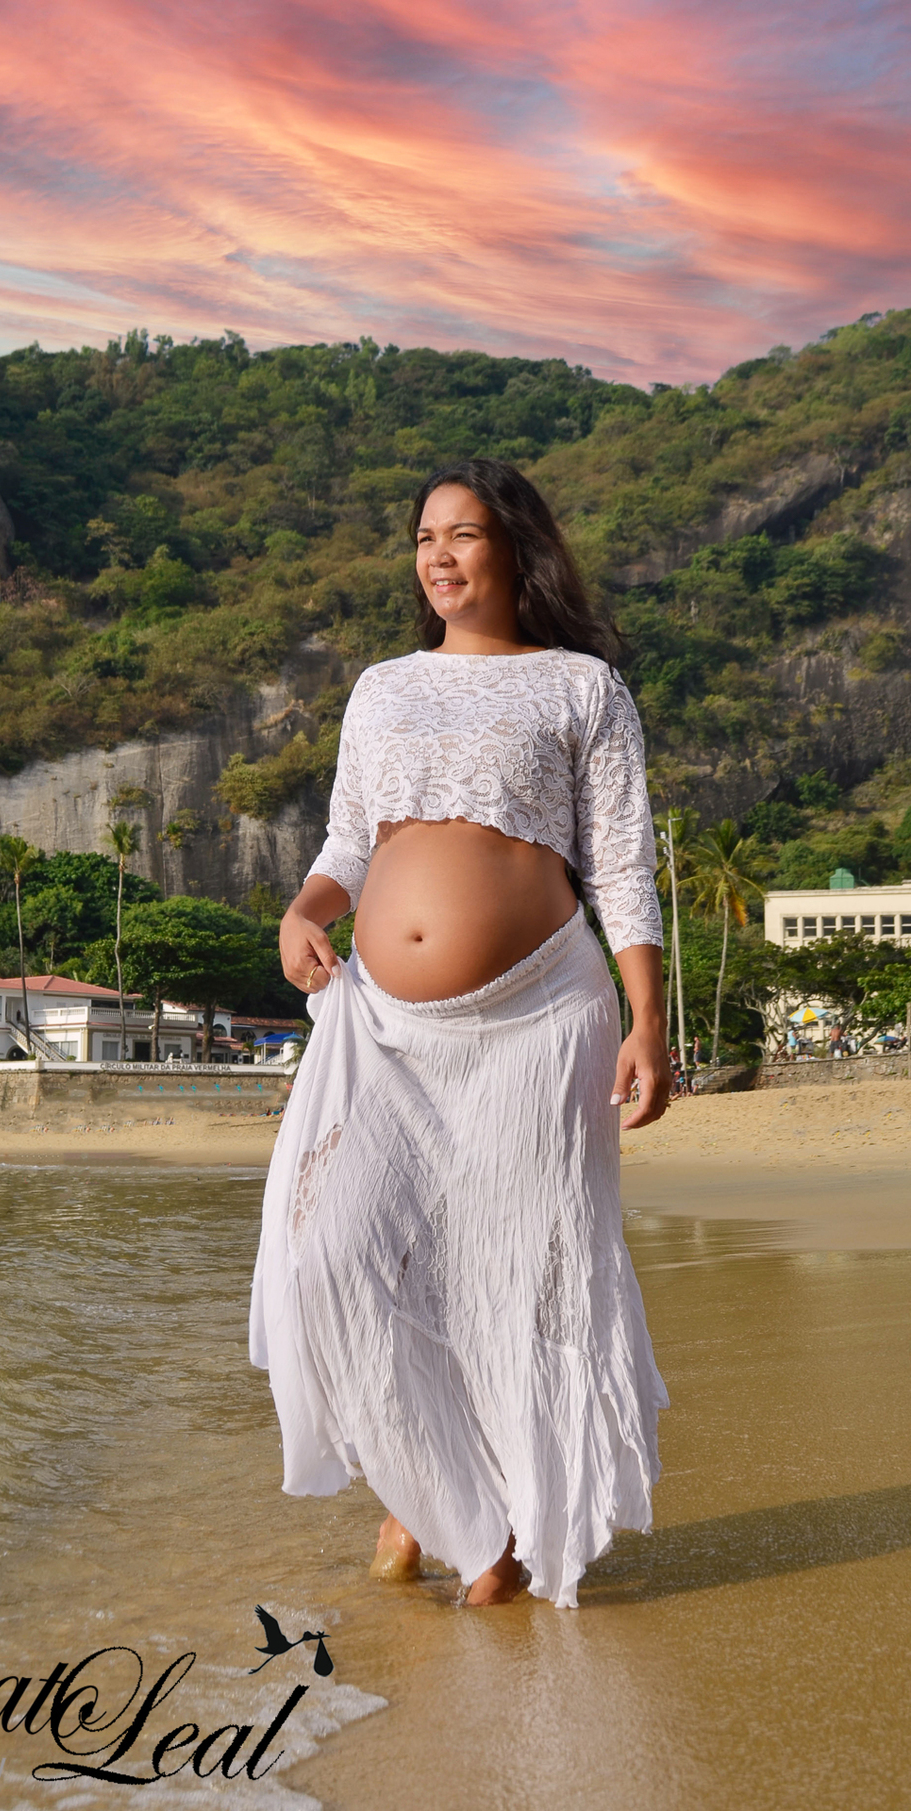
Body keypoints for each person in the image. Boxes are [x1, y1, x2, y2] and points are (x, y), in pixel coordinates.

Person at [249, 458, 670, 1611]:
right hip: (384, 1028)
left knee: (522, 1279)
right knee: (327, 1256)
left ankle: (501, 1537)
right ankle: (446, 1503)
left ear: (515, 549)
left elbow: (622, 864)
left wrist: (648, 1018)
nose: (438, 555)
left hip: (541, 1013)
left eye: (464, 535)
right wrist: (302, 910)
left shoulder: (582, 688)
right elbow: (349, 840)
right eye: (425, 537)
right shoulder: (383, 686)